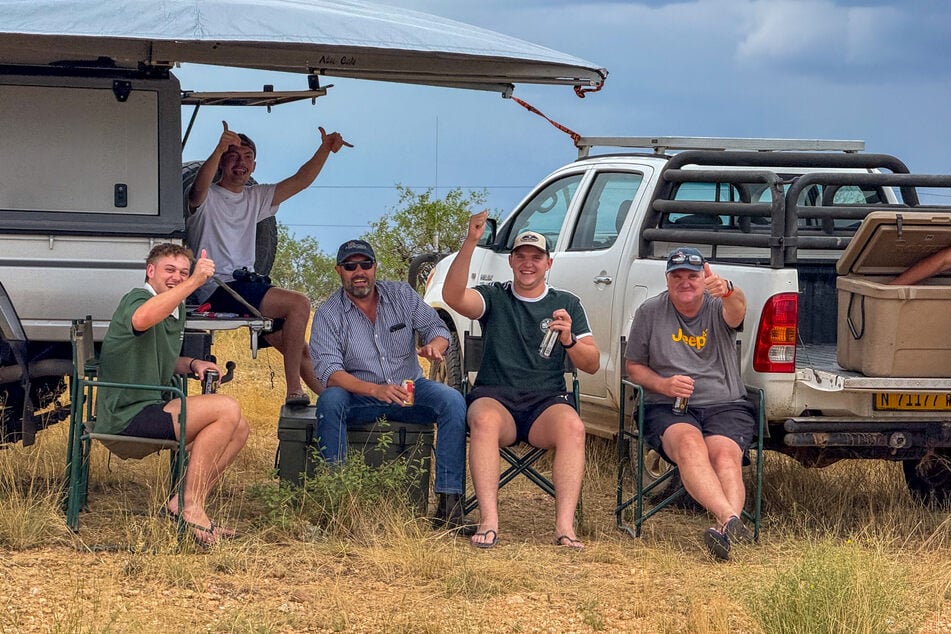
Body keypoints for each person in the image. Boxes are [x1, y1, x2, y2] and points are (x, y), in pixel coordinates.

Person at [442, 211, 600, 550]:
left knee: (574, 427)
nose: (529, 264)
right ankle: (489, 520)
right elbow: (454, 297)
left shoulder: (566, 303)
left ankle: (565, 527)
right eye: (522, 257)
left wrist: (570, 340)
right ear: (511, 261)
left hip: (546, 402)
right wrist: (470, 242)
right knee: (482, 420)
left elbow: (592, 364)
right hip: (496, 398)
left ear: (548, 264)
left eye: (536, 258)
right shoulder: (496, 296)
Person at [186, 121, 352, 408]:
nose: (241, 163)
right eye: (233, 156)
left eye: (247, 157)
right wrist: (219, 147)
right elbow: (199, 186)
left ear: (254, 164)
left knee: (300, 349)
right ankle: (293, 391)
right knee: (299, 303)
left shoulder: (255, 196)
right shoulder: (207, 197)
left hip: (246, 285)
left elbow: (300, 181)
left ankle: (338, 405)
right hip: (217, 287)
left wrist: (324, 150)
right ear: (222, 162)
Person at [96, 243, 250, 547]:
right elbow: (141, 320)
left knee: (240, 427)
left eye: (183, 272)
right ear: (150, 271)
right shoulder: (138, 298)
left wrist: (193, 363)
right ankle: (190, 506)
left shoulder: (173, 307)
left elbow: (162, 357)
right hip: (125, 417)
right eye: (170, 270)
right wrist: (194, 282)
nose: (177, 277)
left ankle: (183, 500)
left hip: (151, 405)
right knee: (226, 408)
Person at [309, 239, 467, 528]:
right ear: (338, 271)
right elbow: (330, 373)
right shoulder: (327, 314)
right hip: (359, 396)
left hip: (408, 391)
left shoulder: (402, 295)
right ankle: (337, 503)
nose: (359, 271)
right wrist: (375, 389)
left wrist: (436, 345)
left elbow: (438, 328)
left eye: (365, 264)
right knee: (329, 401)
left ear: (375, 267)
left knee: (453, 401)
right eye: (350, 266)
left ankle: (450, 505)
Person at [624, 246, 756, 561]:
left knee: (725, 455)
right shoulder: (650, 312)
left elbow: (737, 311)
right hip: (668, 406)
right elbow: (634, 367)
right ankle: (731, 521)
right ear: (667, 278)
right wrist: (663, 384)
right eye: (677, 275)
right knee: (689, 445)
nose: (686, 282)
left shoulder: (717, 305)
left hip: (724, 404)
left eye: (693, 276)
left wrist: (728, 290)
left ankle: (725, 529)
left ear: (703, 277)